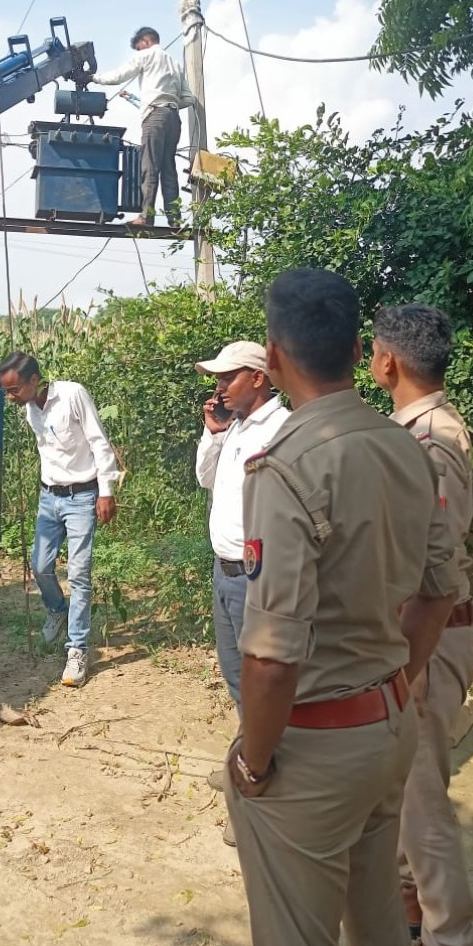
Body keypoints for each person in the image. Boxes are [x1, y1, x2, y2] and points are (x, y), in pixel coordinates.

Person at [224, 268, 461, 946]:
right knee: (380, 926)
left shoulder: (287, 467)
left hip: (316, 747)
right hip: (390, 727)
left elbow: (272, 656)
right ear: (360, 349)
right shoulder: (407, 447)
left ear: (272, 357)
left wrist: (254, 763)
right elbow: (440, 590)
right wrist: (396, 684)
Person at [372, 304, 473, 946]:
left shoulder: (428, 440)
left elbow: (429, 565)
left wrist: (407, 656)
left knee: (421, 795)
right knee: (407, 789)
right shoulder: (414, 429)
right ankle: (414, 905)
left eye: (376, 352)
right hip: (420, 631)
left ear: (390, 362)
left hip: (428, 633)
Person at [194, 341, 289, 843]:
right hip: (224, 571)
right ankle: (246, 759)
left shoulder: (280, 430)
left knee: (263, 686)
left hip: (259, 578)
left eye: (227, 378)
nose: (219, 387)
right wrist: (213, 435)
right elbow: (204, 480)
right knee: (237, 681)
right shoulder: (234, 429)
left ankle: (259, 792)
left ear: (257, 377)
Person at [0, 352, 120, 688]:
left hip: (82, 497)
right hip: (48, 498)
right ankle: (56, 609)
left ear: (34, 380)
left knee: (79, 574)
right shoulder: (29, 410)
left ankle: (77, 650)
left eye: (13, 390)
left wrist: (106, 491)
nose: (11, 398)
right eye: (6, 392)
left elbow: (98, 441)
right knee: (40, 566)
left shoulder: (72, 395)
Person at [90, 26, 194, 229]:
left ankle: (146, 217)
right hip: (173, 118)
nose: (138, 51)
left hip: (155, 116)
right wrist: (169, 102)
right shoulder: (175, 63)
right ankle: (175, 220)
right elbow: (188, 98)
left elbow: (119, 75)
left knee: (150, 167)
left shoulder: (145, 55)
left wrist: (94, 78)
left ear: (145, 42)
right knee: (168, 169)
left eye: (138, 47)